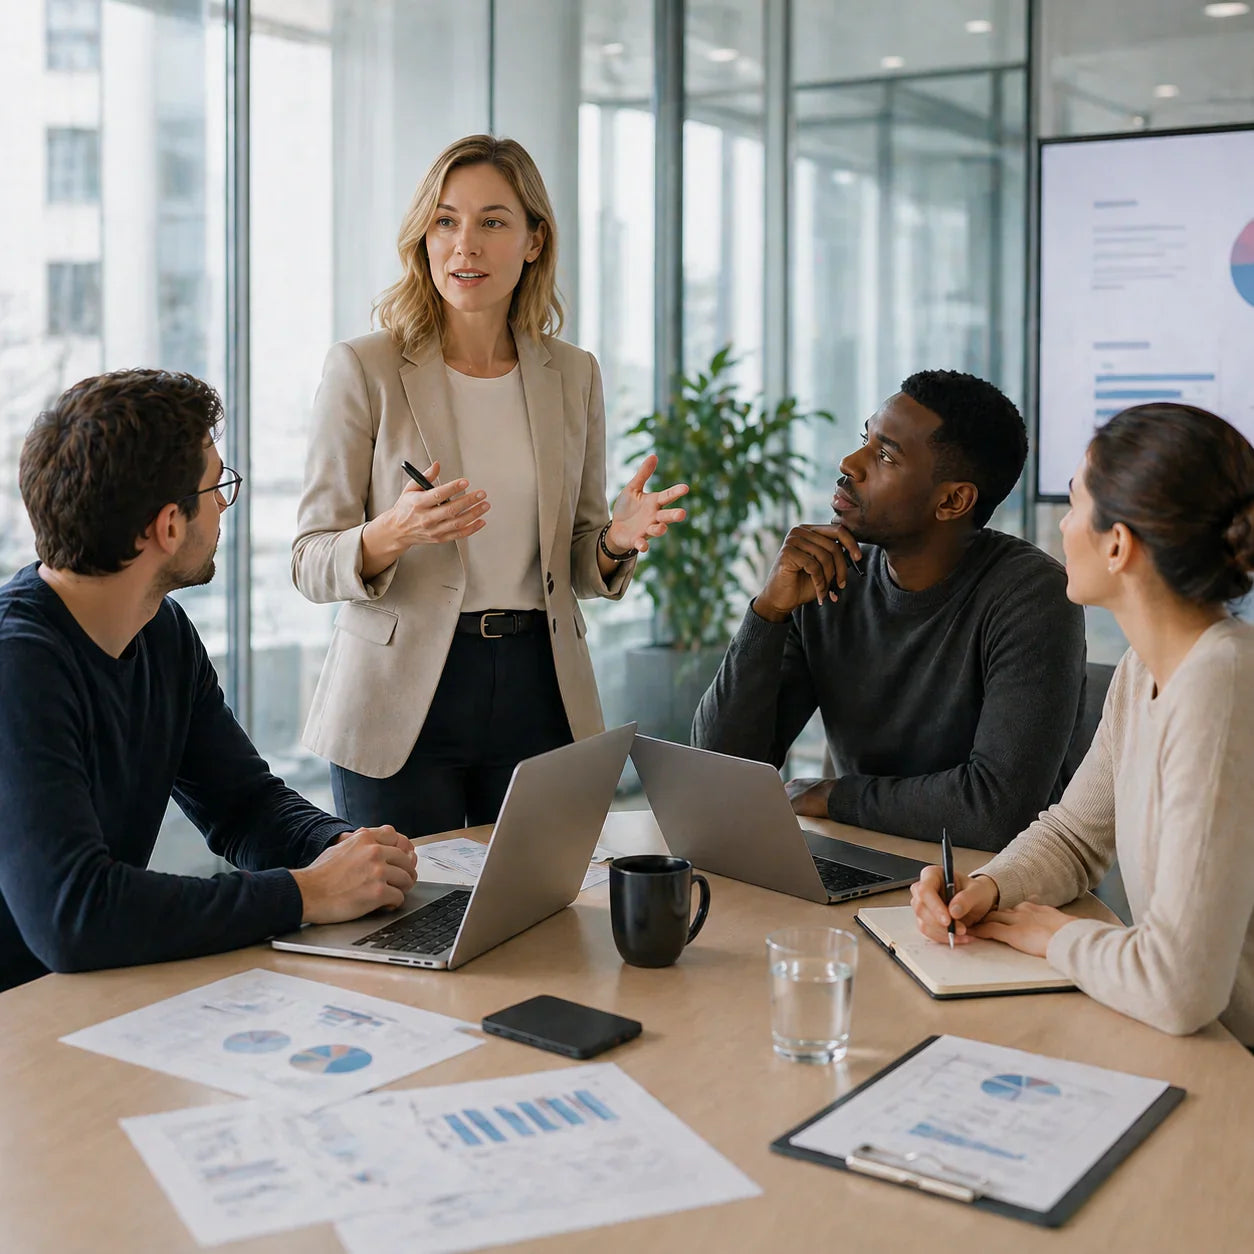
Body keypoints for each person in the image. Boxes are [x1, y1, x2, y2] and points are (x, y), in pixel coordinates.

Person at [293, 134, 687, 838]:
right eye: (446, 221)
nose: (464, 245)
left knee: (535, 917)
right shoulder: (365, 368)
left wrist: (615, 542)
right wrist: (394, 532)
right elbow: (309, 561)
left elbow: (576, 559)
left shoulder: (573, 374)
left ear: (534, 241)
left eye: (492, 222)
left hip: (540, 687)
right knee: (409, 924)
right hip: (399, 698)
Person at [0, 370, 418, 994]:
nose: (224, 503)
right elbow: (74, 913)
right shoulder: (18, 666)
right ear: (168, 525)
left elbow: (245, 807)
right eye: (217, 484)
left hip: (82, 1000)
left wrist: (351, 854)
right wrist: (305, 893)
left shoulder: (160, 631)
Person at [912, 403, 1254, 1043]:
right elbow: (1075, 835)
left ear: (1118, 545)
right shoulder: (1143, 669)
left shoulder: (1221, 687)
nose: (1062, 526)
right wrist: (988, 886)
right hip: (1200, 1043)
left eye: (1073, 505)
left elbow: (1179, 988)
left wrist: (1061, 937)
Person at [692, 369, 1086, 850]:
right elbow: (718, 774)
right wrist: (768, 612)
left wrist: (837, 797)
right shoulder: (828, 574)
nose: (850, 463)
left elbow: (995, 812)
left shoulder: (1033, 596)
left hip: (986, 887)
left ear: (953, 500)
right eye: (865, 439)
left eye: (884, 456)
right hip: (860, 855)